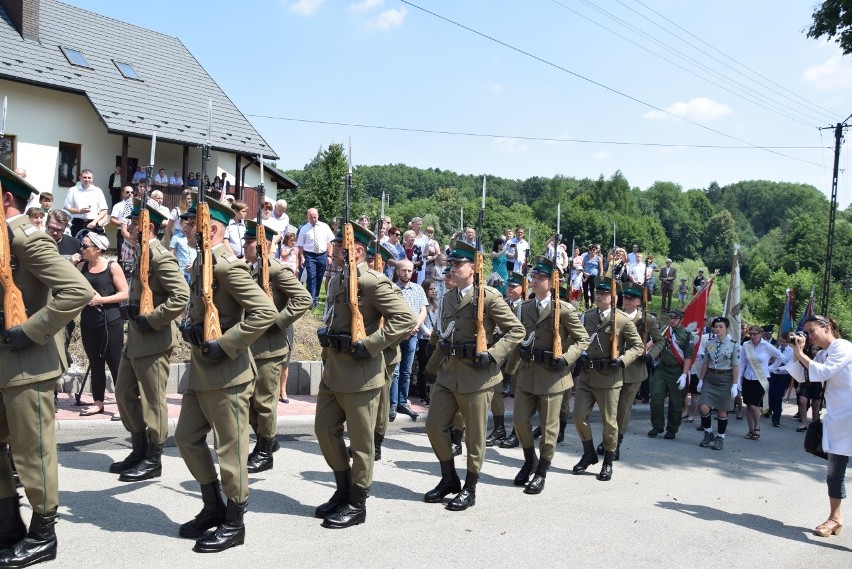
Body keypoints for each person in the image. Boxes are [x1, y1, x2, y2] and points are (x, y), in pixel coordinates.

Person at [0, 165, 92, 567]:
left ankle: (43, 536)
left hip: (29, 363)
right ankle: (7, 527)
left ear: (6, 199)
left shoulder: (26, 238)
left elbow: (78, 289)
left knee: (31, 453)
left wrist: (33, 330)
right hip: (4, 362)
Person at [173, 197, 277, 553]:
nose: (184, 228)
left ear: (211, 228)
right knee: (186, 437)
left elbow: (264, 311)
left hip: (229, 373)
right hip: (201, 369)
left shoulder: (225, 266)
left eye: (191, 223)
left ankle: (235, 522)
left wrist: (227, 343)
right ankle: (213, 504)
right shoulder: (201, 261)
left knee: (230, 450)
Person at [313, 223, 414, 529]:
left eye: (340, 247)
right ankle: (343, 489)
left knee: (360, 442)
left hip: (361, 373)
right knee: (324, 430)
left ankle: (357, 503)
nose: (334, 251)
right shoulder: (338, 278)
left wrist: (371, 344)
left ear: (356, 250)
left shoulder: (371, 281)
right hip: (334, 369)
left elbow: (404, 319)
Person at [423, 240, 524, 510]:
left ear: (473, 267)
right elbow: (442, 337)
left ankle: (470, 487)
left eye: (458, 265)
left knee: (474, 437)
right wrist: (431, 369)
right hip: (448, 373)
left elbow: (516, 330)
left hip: (478, 376)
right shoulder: (448, 297)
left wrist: (493, 354)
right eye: (451, 264)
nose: (453, 269)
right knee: (434, 426)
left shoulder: (488, 296)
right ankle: (448, 479)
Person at [111, 201, 190, 481]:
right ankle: (139, 449)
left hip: (154, 339)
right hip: (135, 338)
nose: (128, 226)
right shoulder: (142, 253)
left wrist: (153, 318)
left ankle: (154, 459)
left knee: (153, 401)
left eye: (133, 223)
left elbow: (181, 295)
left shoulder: (159, 256)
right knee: (122, 392)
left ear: (149, 227)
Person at [504, 257, 589, 494]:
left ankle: (541, 470)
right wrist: (509, 370)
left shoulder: (564, 310)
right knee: (520, 421)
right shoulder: (524, 308)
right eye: (534, 277)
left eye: (541, 278)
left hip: (553, 376)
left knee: (548, 428)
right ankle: (529, 459)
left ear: (551, 282)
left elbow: (583, 339)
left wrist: (567, 357)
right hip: (528, 373)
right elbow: (518, 339)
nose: (535, 281)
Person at [242, 220, 311, 473]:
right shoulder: (250, 270)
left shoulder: (276, 270)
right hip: (250, 346)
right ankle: (268, 440)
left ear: (264, 245)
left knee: (264, 402)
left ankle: (264, 451)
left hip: (270, 349)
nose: (246, 245)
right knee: (248, 403)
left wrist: (278, 321)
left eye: (250, 241)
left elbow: (304, 298)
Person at [784, 316, 852, 537]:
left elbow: (822, 373)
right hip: (838, 420)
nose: (809, 336)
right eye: (806, 333)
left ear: (827, 328)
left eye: (812, 331)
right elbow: (802, 376)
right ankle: (835, 518)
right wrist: (797, 350)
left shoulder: (843, 347)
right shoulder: (822, 354)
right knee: (834, 474)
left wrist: (802, 354)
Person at [573, 281, 643, 481]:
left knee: (609, 423)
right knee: (578, 416)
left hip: (610, 378)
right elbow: (577, 339)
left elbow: (637, 346)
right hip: (588, 376)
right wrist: (579, 354)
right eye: (597, 293)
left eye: (604, 293)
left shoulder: (621, 320)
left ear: (613, 298)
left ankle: (608, 461)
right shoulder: (587, 316)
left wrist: (621, 361)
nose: (599, 296)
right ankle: (588, 453)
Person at [600, 283, 664, 460]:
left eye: (631, 298)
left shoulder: (647, 320)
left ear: (638, 301)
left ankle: (616, 442)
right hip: (613, 368)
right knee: (609, 407)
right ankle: (607, 439)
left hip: (634, 370)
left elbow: (660, 341)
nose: (627, 301)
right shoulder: (614, 315)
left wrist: (650, 356)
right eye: (625, 298)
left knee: (623, 408)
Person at [76, 231, 129, 416]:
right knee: (95, 361)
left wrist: (102, 300)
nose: (81, 249)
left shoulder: (112, 267)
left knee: (115, 362)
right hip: (88, 321)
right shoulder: (81, 266)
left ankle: (124, 404)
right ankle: (98, 402)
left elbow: (125, 293)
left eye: (85, 246)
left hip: (110, 320)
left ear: (98, 249)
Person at [389, 260, 428, 421]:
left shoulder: (418, 289)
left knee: (406, 371)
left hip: (412, 335)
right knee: (395, 371)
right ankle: (393, 403)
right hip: (396, 335)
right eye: (403, 270)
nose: (406, 273)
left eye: (409, 271)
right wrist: (402, 330)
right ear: (398, 271)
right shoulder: (391, 288)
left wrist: (414, 327)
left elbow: (423, 310)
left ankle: (403, 402)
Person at [647, 308, 694, 440]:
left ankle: (672, 429)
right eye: (670, 318)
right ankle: (657, 426)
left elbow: (688, 357)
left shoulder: (687, 335)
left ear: (681, 319)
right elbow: (655, 343)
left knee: (675, 402)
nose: (672, 321)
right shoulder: (664, 330)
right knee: (655, 398)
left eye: (675, 318)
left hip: (677, 371)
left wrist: (684, 375)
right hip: (662, 369)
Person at [695, 316, 739, 451]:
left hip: (725, 379)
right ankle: (708, 433)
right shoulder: (709, 343)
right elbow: (706, 363)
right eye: (716, 326)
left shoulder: (733, 344)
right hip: (710, 378)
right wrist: (701, 380)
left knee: (721, 411)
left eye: (721, 327)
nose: (718, 329)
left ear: (727, 328)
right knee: (703, 407)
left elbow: (735, 366)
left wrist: (735, 385)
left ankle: (720, 437)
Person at [738, 324, 782, 441]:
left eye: (755, 334)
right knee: (748, 405)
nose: (752, 336)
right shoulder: (746, 345)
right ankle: (750, 429)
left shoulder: (767, 346)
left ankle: (757, 426)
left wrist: (771, 368)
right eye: (750, 334)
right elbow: (742, 363)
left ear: (760, 334)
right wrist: (738, 379)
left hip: (761, 379)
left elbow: (780, 357)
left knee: (754, 405)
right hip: (748, 378)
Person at [296, 208, 335, 308]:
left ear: (318, 216)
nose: (313, 219)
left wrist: (329, 255)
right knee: (311, 277)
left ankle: (316, 297)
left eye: (315, 217)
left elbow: (330, 241)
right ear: (307, 217)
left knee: (319, 277)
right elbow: (300, 245)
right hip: (310, 255)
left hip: (322, 255)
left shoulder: (325, 227)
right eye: (311, 217)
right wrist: (302, 257)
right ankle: (311, 300)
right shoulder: (304, 229)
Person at [63, 169, 108, 236]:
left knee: (92, 246)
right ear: (80, 178)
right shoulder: (73, 190)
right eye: (84, 177)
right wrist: (79, 211)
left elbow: (104, 209)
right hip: (77, 222)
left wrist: (95, 222)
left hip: (93, 222)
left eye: (89, 178)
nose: (87, 179)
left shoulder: (97, 191)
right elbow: (66, 208)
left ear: (92, 179)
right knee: (77, 245)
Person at [768, 332, 794, 427]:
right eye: (780, 340)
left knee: (777, 397)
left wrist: (779, 368)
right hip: (773, 375)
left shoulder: (791, 351)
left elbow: (790, 365)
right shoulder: (776, 349)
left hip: (783, 376)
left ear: (787, 341)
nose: (781, 342)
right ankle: (776, 409)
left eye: (783, 340)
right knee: (770, 396)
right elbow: (770, 361)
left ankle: (776, 419)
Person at [581, 244, 602, 308]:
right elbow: (581, 266)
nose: (592, 251)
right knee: (585, 289)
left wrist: (600, 277)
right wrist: (584, 273)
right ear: (589, 250)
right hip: (586, 275)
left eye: (593, 250)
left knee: (592, 290)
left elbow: (601, 268)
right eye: (590, 250)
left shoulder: (598, 258)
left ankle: (592, 303)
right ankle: (586, 302)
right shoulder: (586, 257)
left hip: (593, 275)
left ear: (596, 250)